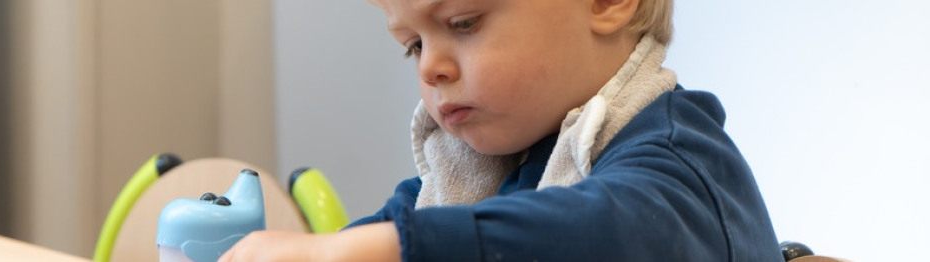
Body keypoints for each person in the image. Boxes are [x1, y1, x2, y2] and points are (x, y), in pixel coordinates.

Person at [220, 0, 782, 261]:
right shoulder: (474, 182)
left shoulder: (678, 163)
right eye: (413, 45)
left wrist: (381, 250)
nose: (429, 67)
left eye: (463, 23)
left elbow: (614, 235)